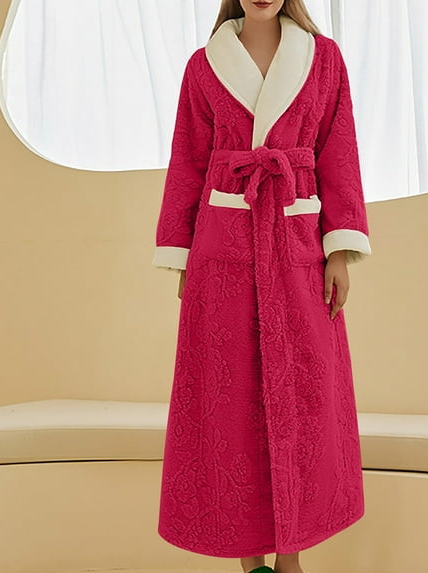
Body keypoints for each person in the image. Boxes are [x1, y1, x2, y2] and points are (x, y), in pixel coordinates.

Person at [152, 1, 372, 572]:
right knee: (230, 407)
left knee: (302, 396)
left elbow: (339, 152)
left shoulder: (323, 59)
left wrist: (339, 249)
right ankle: (248, 561)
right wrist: (183, 257)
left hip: (297, 243)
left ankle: (290, 557)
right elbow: (187, 162)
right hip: (221, 249)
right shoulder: (204, 66)